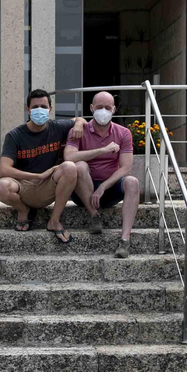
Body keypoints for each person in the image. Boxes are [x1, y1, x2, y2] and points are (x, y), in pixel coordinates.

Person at [0, 89, 81, 242]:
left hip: (48, 186)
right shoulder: (15, 135)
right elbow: (4, 170)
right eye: (35, 107)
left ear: (50, 110)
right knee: (1, 186)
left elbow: (80, 119)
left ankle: (54, 220)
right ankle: (23, 210)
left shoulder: (57, 127)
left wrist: (79, 124)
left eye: (43, 106)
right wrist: (37, 176)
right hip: (23, 187)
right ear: (28, 110)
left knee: (70, 167)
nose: (39, 110)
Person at [63, 90, 141, 258]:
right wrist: (103, 150)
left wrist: (104, 187)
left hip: (110, 190)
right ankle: (94, 216)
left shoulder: (123, 133)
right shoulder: (78, 130)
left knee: (133, 181)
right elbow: (68, 157)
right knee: (79, 166)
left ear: (113, 109)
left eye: (107, 107)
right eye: (99, 107)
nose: (103, 111)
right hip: (83, 192)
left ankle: (125, 240)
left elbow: (126, 167)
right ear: (91, 108)